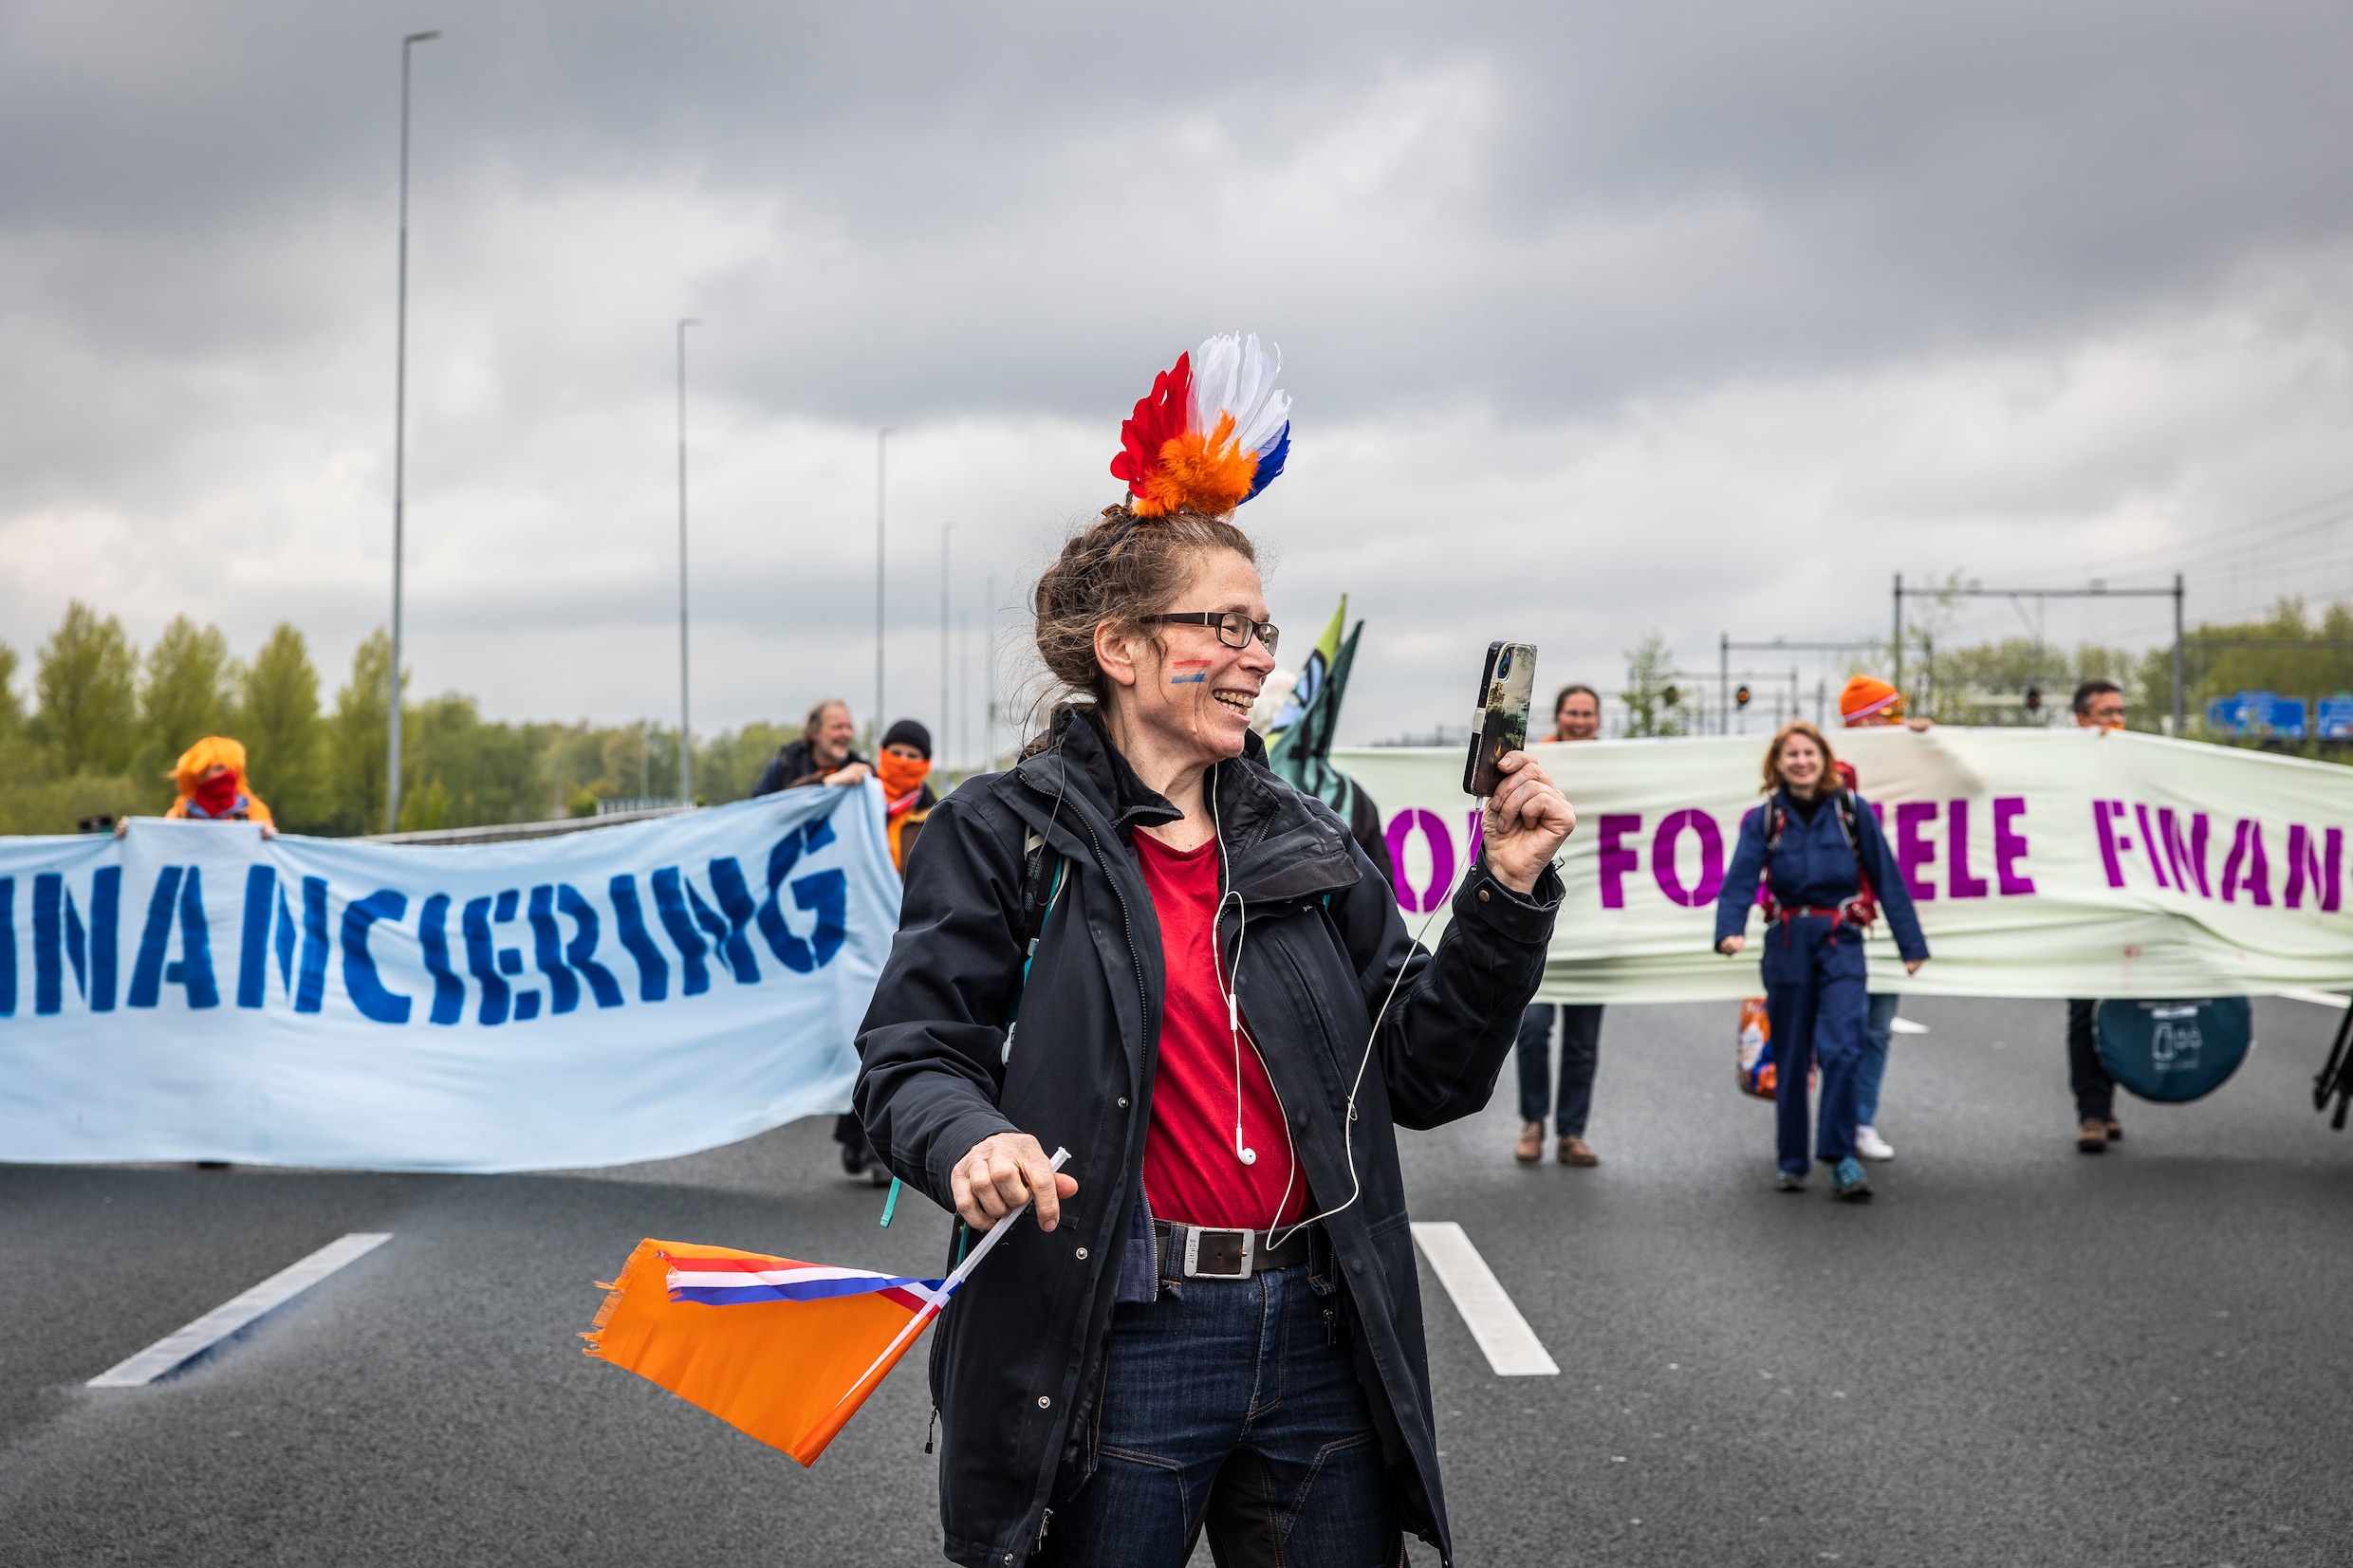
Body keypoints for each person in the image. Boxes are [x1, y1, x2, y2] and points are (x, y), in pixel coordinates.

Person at [854, 335, 1574, 1568]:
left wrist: (1505, 891)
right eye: (1223, 627)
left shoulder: (1320, 829)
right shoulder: (1003, 834)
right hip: (1117, 1334)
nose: (1256, 658)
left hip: (1318, 1332)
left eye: (1264, 627)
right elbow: (910, 1059)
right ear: (1121, 650)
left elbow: (1427, 1074)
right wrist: (972, 1142)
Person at [1714, 720, 1927, 1201]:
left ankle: (1842, 1158)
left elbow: (1887, 877)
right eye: (1792, 755)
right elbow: (1741, 879)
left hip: (1841, 943)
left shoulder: (1853, 812)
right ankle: (1791, 1162)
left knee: (1843, 1048)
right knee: (1790, 1058)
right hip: (1787, 943)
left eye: (1809, 753)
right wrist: (1728, 930)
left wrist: (1910, 944)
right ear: (1778, 764)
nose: (1801, 761)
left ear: (1824, 760)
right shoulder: (1764, 819)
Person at [1836, 673, 1931, 1162]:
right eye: (1889, 713)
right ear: (1864, 720)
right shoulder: (1828, 765)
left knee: (1876, 1028)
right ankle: (1835, 1121)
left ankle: (1861, 1121)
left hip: (1884, 914)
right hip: (1839, 922)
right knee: (1834, 1030)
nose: (1896, 723)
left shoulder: (1910, 758)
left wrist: (1929, 744)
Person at [1515, 682, 1604, 1167]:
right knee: (1533, 1029)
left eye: (1588, 713)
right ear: (1559, 716)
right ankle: (1533, 1122)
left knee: (1583, 1041)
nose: (1580, 720)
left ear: (1598, 719)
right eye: (1573, 712)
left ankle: (1572, 1133)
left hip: (1596, 921)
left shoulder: (1614, 765)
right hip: (1542, 917)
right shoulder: (1537, 765)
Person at [2066, 678, 2128, 1153]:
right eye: (2105, 713)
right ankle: (2092, 1111)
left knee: (2128, 1003)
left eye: (2120, 712)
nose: (2116, 721)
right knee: (2086, 1010)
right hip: (2082, 907)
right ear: (2082, 721)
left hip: (2131, 906)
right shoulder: (2063, 769)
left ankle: (2109, 1104)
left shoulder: (2138, 765)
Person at [118, 736, 277, 839]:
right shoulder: (180, 815)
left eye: (232, 768)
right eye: (220, 768)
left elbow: (272, 860)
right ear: (199, 774)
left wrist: (270, 840)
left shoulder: (254, 813)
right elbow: (160, 847)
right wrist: (132, 836)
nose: (229, 775)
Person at [750, 699, 871, 796]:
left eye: (849, 727)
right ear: (815, 732)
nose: (846, 734)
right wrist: (828, 782)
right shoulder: (787, 765)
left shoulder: (860, 769)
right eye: (837, 727)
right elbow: (760, 809)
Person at [875, 717, 941, 873]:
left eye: (912, 756)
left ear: (926, 763)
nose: (903, 761)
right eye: (896, 753)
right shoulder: (860, 798)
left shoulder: (935, 818)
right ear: (882, 753)